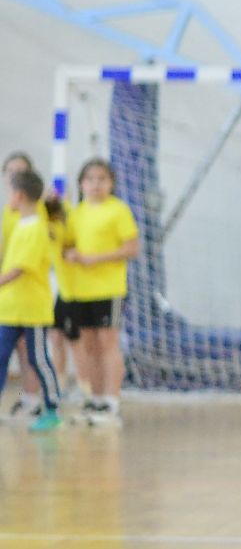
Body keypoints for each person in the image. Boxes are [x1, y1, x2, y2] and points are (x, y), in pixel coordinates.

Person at [62, 158, 138, 428]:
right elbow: (66, 244)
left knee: (108, 344)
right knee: (89, 345)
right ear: (81, 184)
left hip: (109, 289)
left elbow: (131, 248)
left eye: (102, 179)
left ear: (111, 183)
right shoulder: (76, 212)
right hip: (82, 291)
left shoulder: (118, 210)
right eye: (90, 179)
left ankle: (111, 400)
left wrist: (97, 258)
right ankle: (94, 399)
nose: (96, 184)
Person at [0, 168, 62, 432]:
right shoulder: (21, 225)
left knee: (38, 359)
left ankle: (51, 409)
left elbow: (19, 268)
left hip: (33, 309)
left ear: (20, 195)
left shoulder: (36, 227)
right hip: (10, 309)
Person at [2, 150, 46, 420]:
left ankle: (34, 401)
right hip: (9, 296)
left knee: (31, 352)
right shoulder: (10, 214)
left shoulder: (37, 218)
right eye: (11, 172)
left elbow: (24, 262)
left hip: (30, 294)